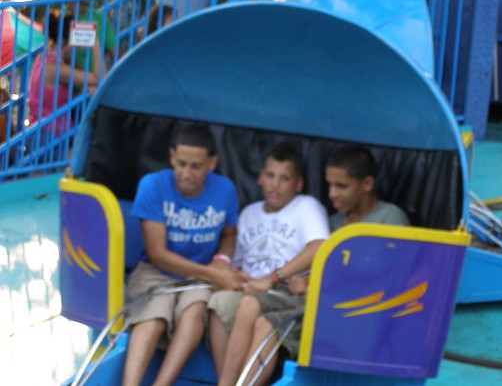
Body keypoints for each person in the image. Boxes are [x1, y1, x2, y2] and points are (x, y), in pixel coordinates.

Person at [122, 123, 245, 386]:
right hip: (157, 273)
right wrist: (213, 273)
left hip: (197, 278)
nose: (186, 173)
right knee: (154, 315)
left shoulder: (225, 190)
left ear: (212, 163)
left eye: (196, 167)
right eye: (181, 164)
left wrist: (221, 260)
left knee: (195, 309)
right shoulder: (153, 185)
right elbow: (157, 254)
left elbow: (229, 233)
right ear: (171, 157)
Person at [208, 141, 329, 386]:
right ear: (260, 177)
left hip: (287, 290)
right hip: (252, 287)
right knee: (218, 303)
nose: (275, 184)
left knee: (250, 305)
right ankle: (227, 380)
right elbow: (239, 262)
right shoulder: (249, 213)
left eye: (284, 178)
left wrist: (273, 278)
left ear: (298, 184)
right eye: (270, 175)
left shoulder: (306, 206)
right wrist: (236, 274)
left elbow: (319, 247)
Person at [28, 11, 100, 136]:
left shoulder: (43, 58)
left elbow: (53, 98)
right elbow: (97, 78)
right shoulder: (56, 68)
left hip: (42, 130)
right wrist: (95, 43)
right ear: (65, 39)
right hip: (52, 136)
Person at [326, 144, 410, 229]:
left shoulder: (390, 218)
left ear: (367, 184)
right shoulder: (334, 221)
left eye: (341, 186)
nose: (332, 194)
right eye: (329, 184)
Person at [62, 0, 116, 69]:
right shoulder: (58, 20)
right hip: (66, 84)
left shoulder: (99, 18)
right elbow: (52, 57)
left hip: (97, 83)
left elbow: (115, 51)